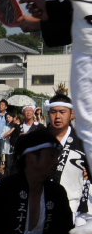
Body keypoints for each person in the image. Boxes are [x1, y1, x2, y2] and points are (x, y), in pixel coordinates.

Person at [45, 93, 91, 221]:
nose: (57, 116)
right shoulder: (38, 139)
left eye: (62, 112)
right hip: (41, 203)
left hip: (75, 205)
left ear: (72, 114)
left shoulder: (83, 141)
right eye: (53, 112)